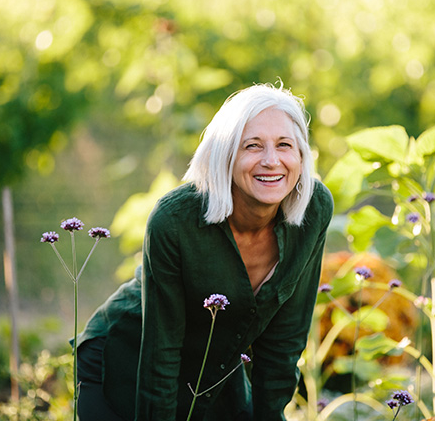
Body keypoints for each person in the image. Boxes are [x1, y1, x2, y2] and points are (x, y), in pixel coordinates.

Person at [75, 83, 334, 421]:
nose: (272, 161)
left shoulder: (313, 211)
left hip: (215, 376)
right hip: (127, 364)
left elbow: (285, 341)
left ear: (300, 155)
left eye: (284, 145)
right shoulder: (174, 221)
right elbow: (160, 352)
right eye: (252, 146)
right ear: (225, 155)